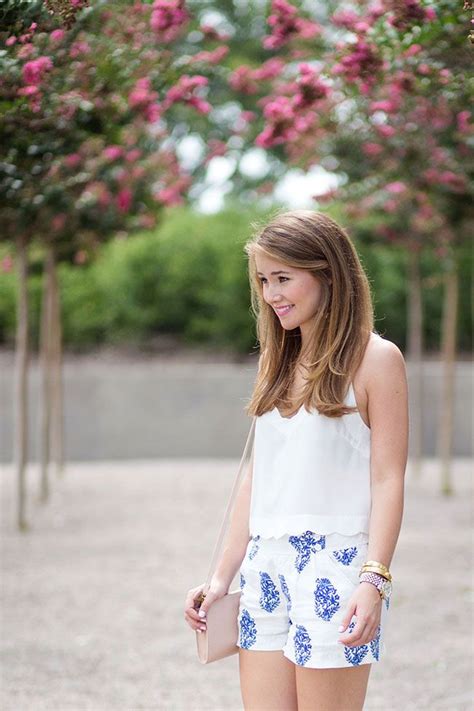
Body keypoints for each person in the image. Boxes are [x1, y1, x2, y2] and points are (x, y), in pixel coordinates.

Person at [184, 209, 409, 711]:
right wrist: (221, 578)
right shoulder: (276, 360)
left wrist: (374, 578)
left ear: (328, 273)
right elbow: (259, 477)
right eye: (264, 280)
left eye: (283, 278)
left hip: (338, 565)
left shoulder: (377, 359)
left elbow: (389, 478)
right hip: (265, 566)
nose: (271, 295)